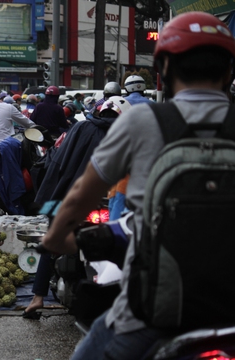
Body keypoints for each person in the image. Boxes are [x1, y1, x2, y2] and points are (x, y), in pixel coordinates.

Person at [40, 12, 235, 359]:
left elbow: (79, 197)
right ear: (228, 71)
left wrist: (56, 239)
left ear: (163, 70)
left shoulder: (142, 120)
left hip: (152, 313)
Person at [25, 97, 131, 318]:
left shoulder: (81, 127)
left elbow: (59, 160)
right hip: (109, 200)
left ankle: (37, 298)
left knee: (52, 237)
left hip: (71, 195)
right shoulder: (127, 134)